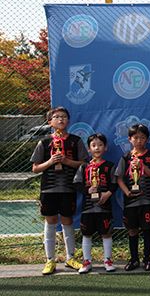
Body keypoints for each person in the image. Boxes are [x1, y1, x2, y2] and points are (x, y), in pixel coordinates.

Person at [30, 107, 88, 275]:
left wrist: (67, 161)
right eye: (56, 117)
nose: (61, 120)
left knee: (67, 220)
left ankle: (70, 258)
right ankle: (50, 260)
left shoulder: (75, 141)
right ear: (50, 122)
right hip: (48, 189)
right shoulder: (44, 142)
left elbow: (84, 163)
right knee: (50, 221)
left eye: (64, 117)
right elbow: (35, 168)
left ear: (68, 121)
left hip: (68, 188)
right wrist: (50, 162)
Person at [116, 124, 150, 272]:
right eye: (136, 138)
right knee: (132, 230)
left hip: (147, 199)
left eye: (142, 138)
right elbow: (119, 178)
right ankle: (134, 259)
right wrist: (127, 192)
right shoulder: (126, 157)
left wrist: (143, 167)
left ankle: (147, 259)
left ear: (147, 139)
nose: (139, 141)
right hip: (130, 201)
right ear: (129, 139)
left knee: (147, 229)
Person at [74, 133, 118, 273]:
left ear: (105, 148)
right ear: (89, 149)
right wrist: (88, 190)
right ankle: (87, 262)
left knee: (106, 234)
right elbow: (77, 184)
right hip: (88, 208)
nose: (97, 148)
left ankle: (107, 260)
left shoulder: (109, 166)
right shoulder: (84, 167)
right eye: (94, 145)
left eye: (100, 145)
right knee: (87, 234)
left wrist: (108, 193)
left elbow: (114, 183)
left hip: (104, 207)